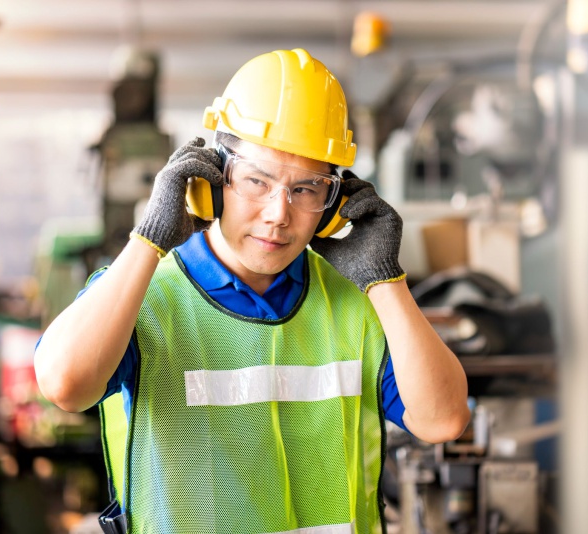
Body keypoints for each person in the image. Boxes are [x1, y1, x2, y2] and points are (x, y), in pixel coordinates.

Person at [35, 48, 469, 534]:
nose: (278, 213)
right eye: (256, 181)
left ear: (333, 204)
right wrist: (148, 239)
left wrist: (385, 281)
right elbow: (65, 386)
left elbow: (444, 420)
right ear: (213, 180)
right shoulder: (142, 296)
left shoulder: (358, 305)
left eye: (306, 189)